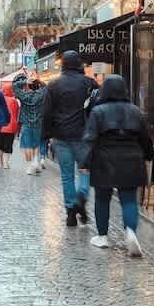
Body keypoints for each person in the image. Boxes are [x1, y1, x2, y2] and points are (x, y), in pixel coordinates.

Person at [81, 74, 151, 256]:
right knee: (129, 199)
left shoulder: (98, 111)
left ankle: (102, 236)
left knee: (102, 199)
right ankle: (131, 232)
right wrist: (148, 155)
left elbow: (89, 139)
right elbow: (146, 138)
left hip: (104, 160)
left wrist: (84, 161)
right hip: (132, 159)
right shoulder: (135, 111)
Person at [42, 50, 99, 226]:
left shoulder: (53, 85)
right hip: (83, 135)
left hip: (60, 136)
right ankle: (81, 195)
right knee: (84, 170)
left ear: (64, 64)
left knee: (66, 175)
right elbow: (97, 107)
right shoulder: (89, 83)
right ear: (79, 64)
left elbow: (46, 113)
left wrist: (46, 135)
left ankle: (70, 212)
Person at [12, 72, 46, 174]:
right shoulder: (41, 94)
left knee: (27, 146)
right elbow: (46, 87)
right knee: (36, 145)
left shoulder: (23, 95)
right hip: (38, 123)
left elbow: (14, 86)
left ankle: (30, 165)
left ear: (28, 86)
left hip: (26, 124)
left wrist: (25, 81)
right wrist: (37, 80)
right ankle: (36, 161)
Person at [0, 82, 21, 169]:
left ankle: (1, 161)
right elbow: (16, 113)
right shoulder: (14, 100)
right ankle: (6, 163)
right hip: (11, 127)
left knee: (0, 145)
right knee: (8, 145)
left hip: (0, 126)